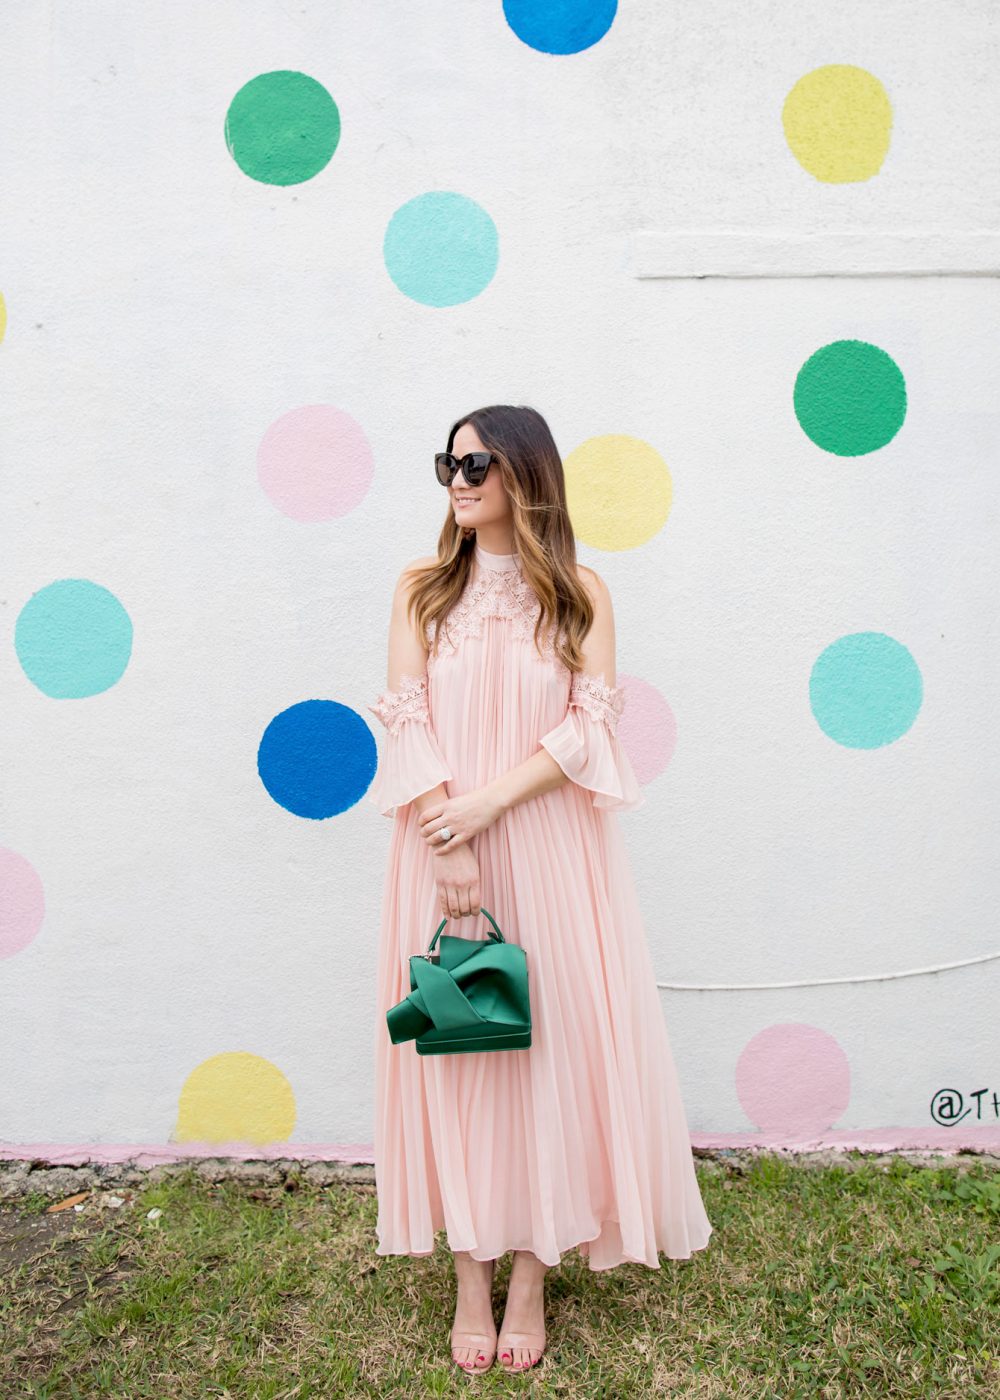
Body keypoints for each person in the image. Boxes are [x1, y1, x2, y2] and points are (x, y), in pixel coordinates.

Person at [367, 404, 713, 1376]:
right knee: (458, 1052)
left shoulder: (581, 594)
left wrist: (483, 807)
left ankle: (529, 1272)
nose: (457, 477)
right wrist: (447, 834)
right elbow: (403, 714)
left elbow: (585, 730)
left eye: (475, 460)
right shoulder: (418, 590)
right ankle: (469, 1276)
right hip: (437, 846)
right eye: (447, 460)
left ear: (525, 471)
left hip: (547, 847)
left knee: (542, 1053)